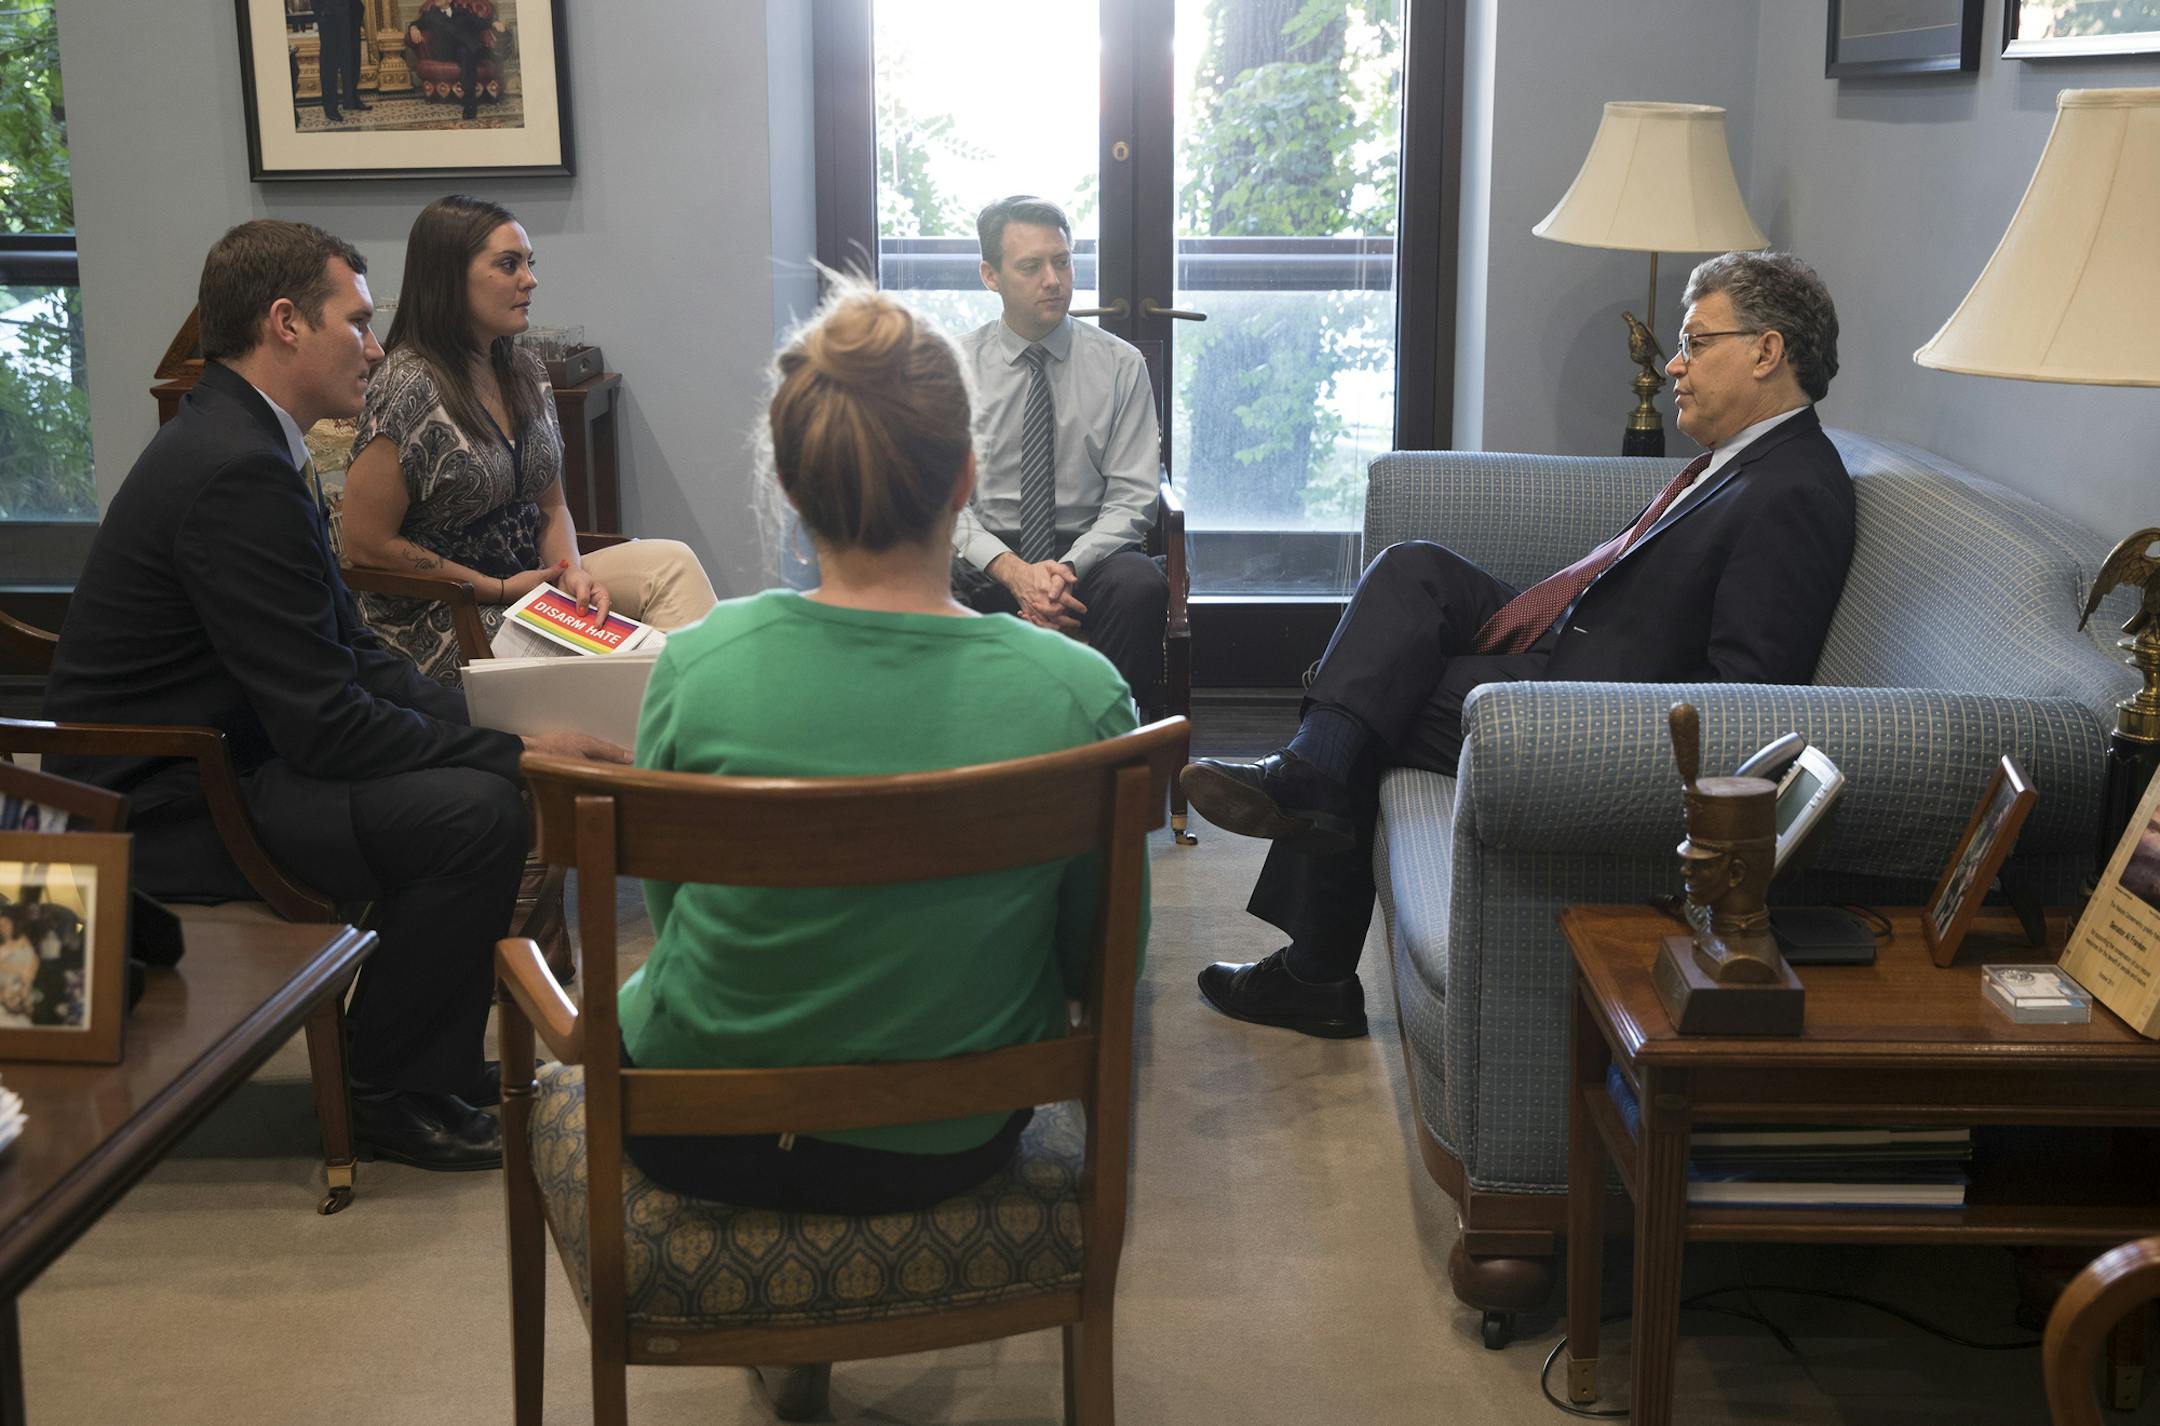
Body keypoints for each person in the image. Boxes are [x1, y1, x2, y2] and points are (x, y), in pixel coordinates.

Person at [43, 220, 628, 1169]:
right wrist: (514, 754)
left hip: (233, 755)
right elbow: (324, 722)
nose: (372, 345)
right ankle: (388, 1087)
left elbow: (354, 657)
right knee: (474, 813)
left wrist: (503, 717)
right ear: (284, 323)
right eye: (355, 323)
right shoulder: (237, 468)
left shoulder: (245, 438)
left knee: (481, 788)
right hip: (167, 799)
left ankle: (418, 1060)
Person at [1182, 250, 1857, 1038]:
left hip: (1583, 702)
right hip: (1575, 642)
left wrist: (1586, 707)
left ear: (1767, 351)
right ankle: (1312, 778)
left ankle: (1314, 946)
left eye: (1696, 342)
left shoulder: (1795, 489)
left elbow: (1751, 691)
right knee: (1414, 571)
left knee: (1374, 705)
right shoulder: (1744, 461)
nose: (1674, 363)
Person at [340, 195, 717, 685]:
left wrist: (571, 572)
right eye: (509, 264)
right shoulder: (407, 385)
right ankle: (689, 730)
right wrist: (491, 588)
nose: (530, 279)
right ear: (450, 277)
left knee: (671, 563)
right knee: (632, 672)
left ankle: (708, 722)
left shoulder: (524, 370)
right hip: (444, 612)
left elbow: (553, 506)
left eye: (528, 263)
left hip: (530, 585)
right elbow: (366, 542)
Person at [952, 194, 1169, 715]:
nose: (1053, 279)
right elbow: (939, 502)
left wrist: (1061, 572)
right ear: (991, 275)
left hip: (1086, 554)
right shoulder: (953, 366)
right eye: (1031, 266)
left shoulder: (1120, 364)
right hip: (986, 554)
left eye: (1062, 261)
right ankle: (954, 752)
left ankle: (1098, 746)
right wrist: (1011, 570)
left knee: (1140, 585)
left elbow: (1134, 497)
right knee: (918, 577)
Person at [406, 0, 500, 121]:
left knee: (465, 50)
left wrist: (494, 23)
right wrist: (413, 28)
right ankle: (481, 50)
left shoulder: (462, 12)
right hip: (447, 52)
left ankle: (470, 104)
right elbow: (415, 23)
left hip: (464, 51)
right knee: (466, 45)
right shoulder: (430, 15)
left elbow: (479, 23)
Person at [315, 0, 367, 124]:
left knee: (353, 55)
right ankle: (330, 107)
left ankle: (351, 99)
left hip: (351, 9)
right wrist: (321, 9)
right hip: (328, 11)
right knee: (330, 60)